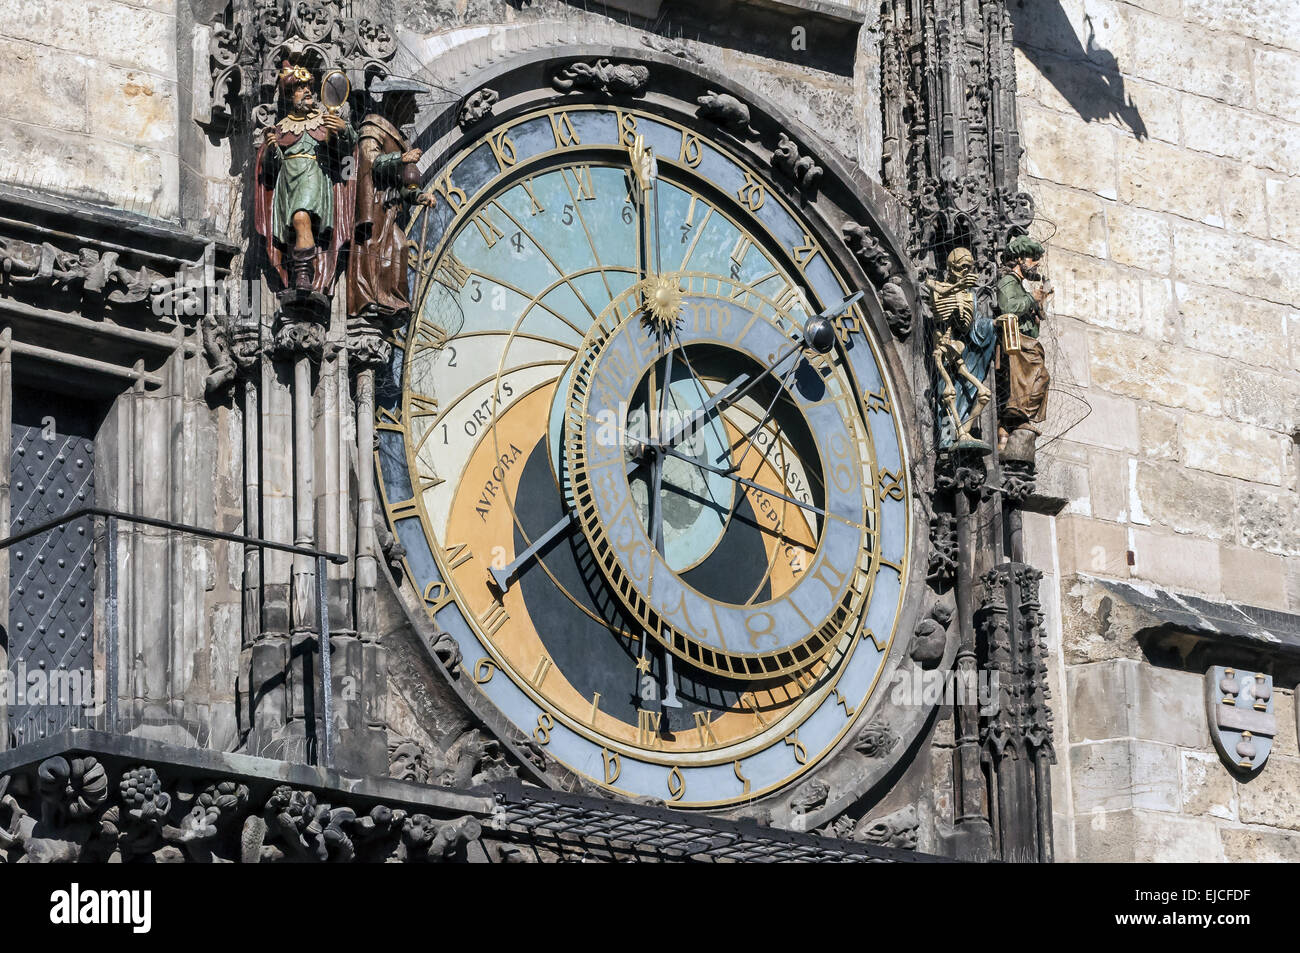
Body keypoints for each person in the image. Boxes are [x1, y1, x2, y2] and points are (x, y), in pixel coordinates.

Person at [254, 62, 357, 294]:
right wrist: (271, 150)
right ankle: (296, 270)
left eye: (309, 87)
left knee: (301, 217)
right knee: (295, 227)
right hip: (287, 181)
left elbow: (346, 152)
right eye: (301, 88)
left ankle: (304, 273)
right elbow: (271, 168)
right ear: (291, 96)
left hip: (312, 175)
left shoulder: (321, 121)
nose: (308, 91)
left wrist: (343, 130)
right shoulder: (282, 127)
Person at [347, 78, 435, 324]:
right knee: (387, 247)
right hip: (373, 205)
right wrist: (401, 158)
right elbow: (369, 161)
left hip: (390, 207)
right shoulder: (372, 129)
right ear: (398, 102)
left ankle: (389, 299)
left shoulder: (394, 135)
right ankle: (372, 298)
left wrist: (418, 196)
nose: (416, 110)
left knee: (398, 246)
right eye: (412, 103)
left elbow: (401, 186)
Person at [996, 236, 1053, 449]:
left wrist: (1039, 303)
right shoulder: (1009, 281)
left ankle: (1012, 423)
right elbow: (1008, 306)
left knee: (1041, 378)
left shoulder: (1019, 285)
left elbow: (1032, 323)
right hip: (1016, 343)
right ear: (1019, 259)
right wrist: (1032, 298)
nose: (1036, 263)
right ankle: (1013, 418)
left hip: (1027, 343)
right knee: (1040, 377)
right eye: (1032, 258)